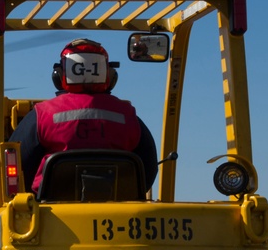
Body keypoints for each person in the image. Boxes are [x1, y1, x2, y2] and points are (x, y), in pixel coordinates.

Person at [9, 38, 158, 195]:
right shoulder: (127, 115)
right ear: (111, 76)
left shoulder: (42, 114)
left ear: (58, 76)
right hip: (118, 212)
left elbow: (18, 164)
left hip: (50, 212)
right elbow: (148, 169)